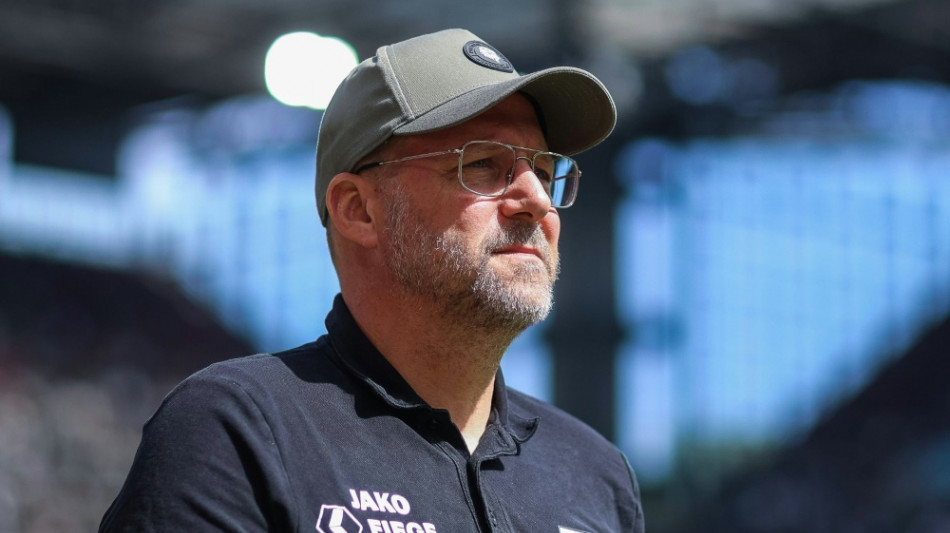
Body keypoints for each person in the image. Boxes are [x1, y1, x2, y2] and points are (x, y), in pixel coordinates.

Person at [100, 28, 644, 533]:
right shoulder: (239, 430)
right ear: (358, 210)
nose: (537, 200)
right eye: (482, 164)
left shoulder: (597, 475)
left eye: (545, 171)